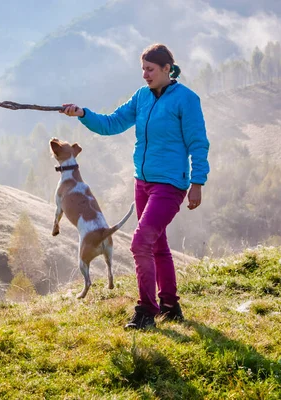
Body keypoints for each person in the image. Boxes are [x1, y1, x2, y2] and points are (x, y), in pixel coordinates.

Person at [60, 43, 210, 330]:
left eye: (150, 69)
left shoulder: (186, 100)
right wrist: (82, 114)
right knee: (158, 245)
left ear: (167, 69)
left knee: (141, 242)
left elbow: (198, 143)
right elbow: (112, 123)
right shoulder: (142, 97)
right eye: (142, 68)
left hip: (169, 185)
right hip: (142, 183)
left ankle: (146, 310)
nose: (144, 74)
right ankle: (170, 305)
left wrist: (197, 183)